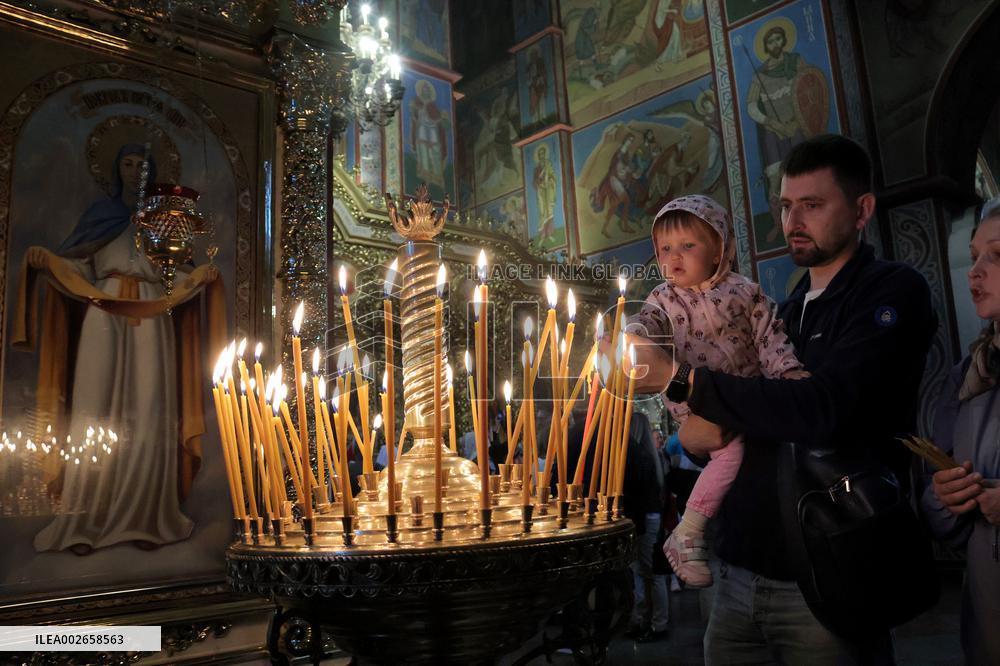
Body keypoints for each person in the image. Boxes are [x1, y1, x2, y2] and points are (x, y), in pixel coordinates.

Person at [630, 134, 936, 663]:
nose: (793, 220)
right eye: (787, 205)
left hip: (824, 575)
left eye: (812, 205)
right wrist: (696, 437)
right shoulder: (785, 308)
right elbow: (743, 420)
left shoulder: (890, 291)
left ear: (861, 210)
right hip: (737, 569)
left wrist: (686, 384)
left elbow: (822, 409)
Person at [21, 144, 223, 555]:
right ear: (115, 170)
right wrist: (49, 261)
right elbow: (80, 266)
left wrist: (199, 274)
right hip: (103, 311)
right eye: (127, 164)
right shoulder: (101, 216)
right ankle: (83, 522)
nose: (135, 171)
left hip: (153, 314)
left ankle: (146, 518)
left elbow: (173, 271)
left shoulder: (164, 220)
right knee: (92, 406)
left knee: (151, 410)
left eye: (142, 164)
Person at [630, 194, 805, 588]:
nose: (674, 256)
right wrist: (634, 335)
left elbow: (770, 338)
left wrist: (789, 373)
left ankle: (721, 536)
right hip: (695, 402)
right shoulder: (662, 299)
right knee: (732, 452)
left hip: (748, 394)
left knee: (769, 451)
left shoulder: (746, 292)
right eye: (665, 249)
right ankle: (688, 530)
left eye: (688, 245)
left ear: (718, 250)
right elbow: (647, 324)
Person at [921, 204, 1000, 664]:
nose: (975, 272)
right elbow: (940, 515)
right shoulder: (970, 374)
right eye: (973, 257)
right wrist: (945, 496)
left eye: (997, 255)